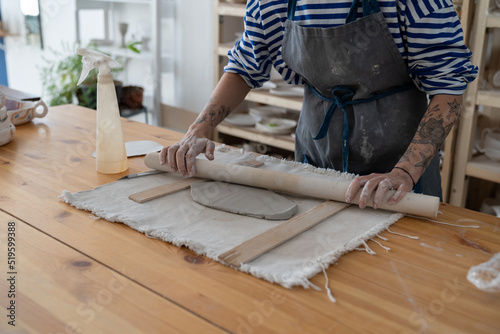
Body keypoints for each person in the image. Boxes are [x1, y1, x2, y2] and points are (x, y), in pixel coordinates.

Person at [159, 0, 477, 210]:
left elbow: (448, 87)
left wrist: (405, 172)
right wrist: (199, 128)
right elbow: (245, 66)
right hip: (316, 153)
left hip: (400, 161)